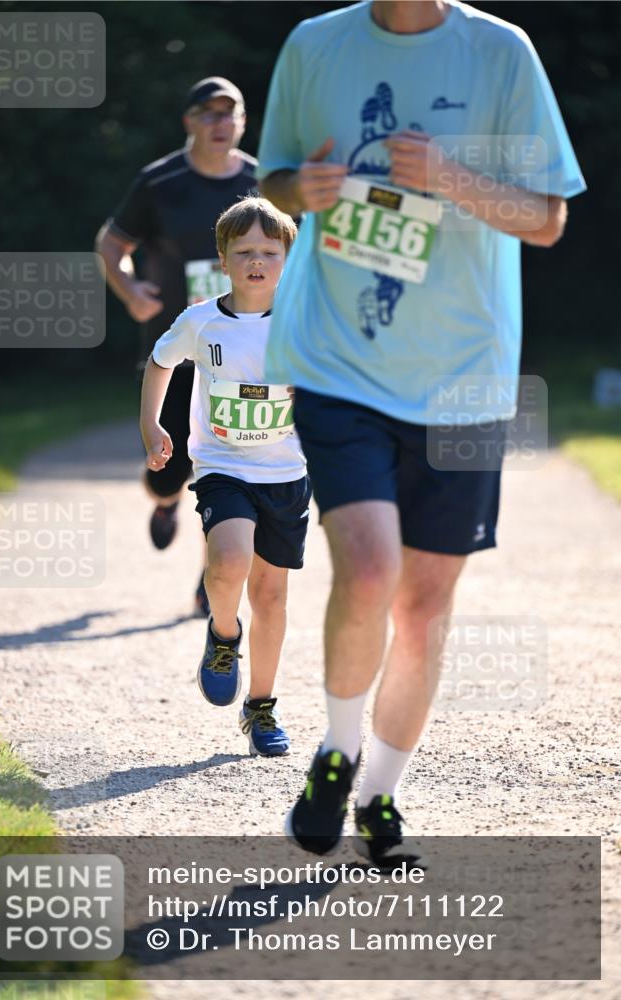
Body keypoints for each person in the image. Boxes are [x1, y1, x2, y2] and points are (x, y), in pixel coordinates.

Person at [257, 0, 585, 861]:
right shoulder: (315, 45)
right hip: (340, 362)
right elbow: (272, 179)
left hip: (464, 377)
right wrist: (303, 191)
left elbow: (546, 219)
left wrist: (449, 178)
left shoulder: (500, 53)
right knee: (367, 570)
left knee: (426, 603)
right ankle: (334, 751)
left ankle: (378, 794)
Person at [139, 197, 309, 756]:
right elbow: (161, 362)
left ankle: (260, 708)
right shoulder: (201, 319)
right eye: (244, 252)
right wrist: (152, 427)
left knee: (272, 596)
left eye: (269, 251)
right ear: (223, 258)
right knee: (229, 561)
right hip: (223, 466)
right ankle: (223, 634)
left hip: (286, 473)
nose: (257, 261)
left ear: (288, 257)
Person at [96, 77, 257, 615]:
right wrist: (129, 290)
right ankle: (165, 501)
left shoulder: (262, 182)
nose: (219, 123)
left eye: (228, 112)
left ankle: (210, 575)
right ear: (189, 121)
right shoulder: (160, 181)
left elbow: (292, 253)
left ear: (242, 119)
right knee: (169, 467)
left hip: (240, 348)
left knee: (230, 459)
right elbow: (112, 242)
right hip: (175, 343)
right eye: (207, 113)